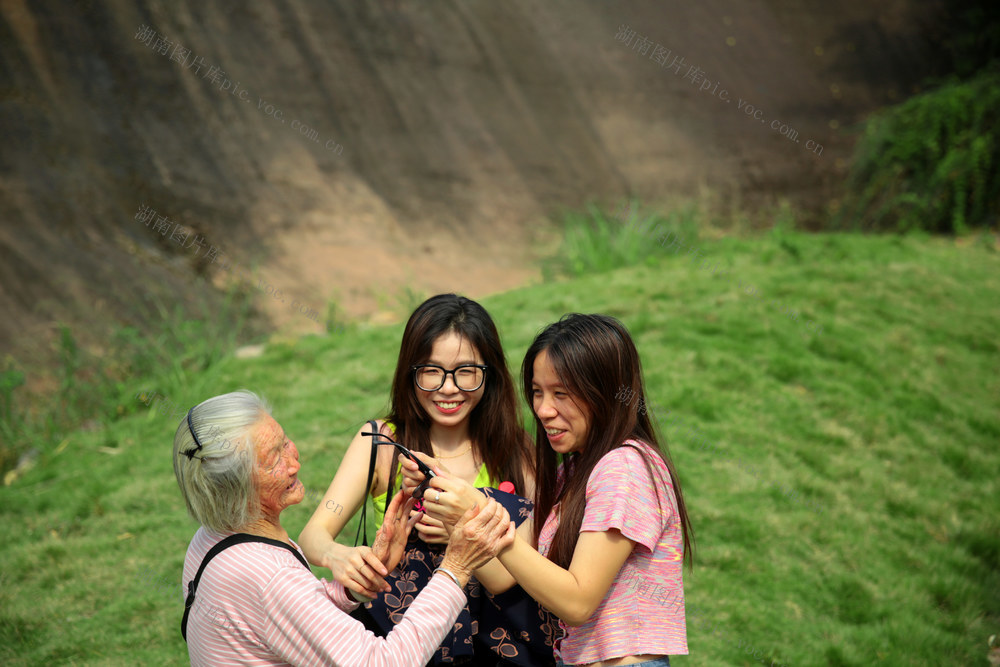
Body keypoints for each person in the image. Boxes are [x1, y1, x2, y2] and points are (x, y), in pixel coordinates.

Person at [400, 314, 695, 667]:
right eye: (537, 392)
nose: (542, 409)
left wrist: (475, 510)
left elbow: (577, 602)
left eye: (561, 394)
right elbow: (502, 576)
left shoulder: (624, 467)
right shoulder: (571, 473)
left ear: (605, 393)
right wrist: (451, 502)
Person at [299, 294, 557, 665]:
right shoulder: (381, 444)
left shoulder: (516, 451)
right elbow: (313, 535)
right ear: (410, 371)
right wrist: (338, 555)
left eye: (466, 371)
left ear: (491, 373)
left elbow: (512, 575)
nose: (448, 388)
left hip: (497, 649)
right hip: (401, 643)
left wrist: (459, 529)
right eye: (431, 371)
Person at [173, 390, 515, 666]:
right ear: (237, 486)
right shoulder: (269, 576)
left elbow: (288, 621)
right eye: (274, 459)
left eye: (284, 441)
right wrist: (455, 568)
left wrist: (351, 589)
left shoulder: (211, 538)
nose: (295, 461)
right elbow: (385, 662)